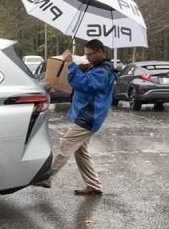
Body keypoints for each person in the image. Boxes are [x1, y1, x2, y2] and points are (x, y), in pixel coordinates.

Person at [34, 39, 116, 195]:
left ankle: (46, 178)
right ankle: (94, 185)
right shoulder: (98, 68)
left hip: (89, 117)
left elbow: (86, 84)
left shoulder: (102, 71)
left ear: (100, 52)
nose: (87, 57)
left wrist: (71, 64)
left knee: (66, 144)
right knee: (81, 151)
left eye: (90, 54)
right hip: (89, 115)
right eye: (86, 55)